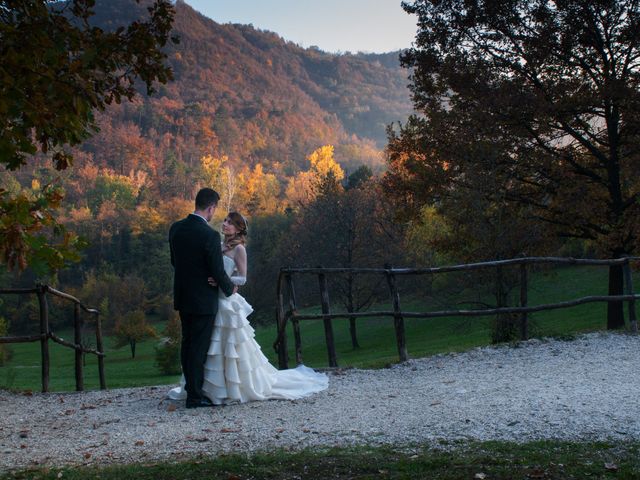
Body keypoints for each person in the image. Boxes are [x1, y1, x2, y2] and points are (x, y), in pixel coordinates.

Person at [169, 212, 328, 405]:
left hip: (226, 302)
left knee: (229, 346)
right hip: (211, 300)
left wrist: (221, 281)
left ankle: (232, 387)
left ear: (238, 229)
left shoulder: (239, 250)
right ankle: (207, 389)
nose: (225, 224)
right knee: (210, 346)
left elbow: (242, 278)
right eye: (226, 221)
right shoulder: (218, 245)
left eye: (230, 223)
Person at [168, 188, 236, 409]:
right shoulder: (209, 235)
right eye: (215, 209)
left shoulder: (176, 229)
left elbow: (174, 262)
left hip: (183, 295)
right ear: (211, 208)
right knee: (198, 348)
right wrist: (229, 289)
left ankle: (191, 389)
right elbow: (217, 270)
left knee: (187, 345)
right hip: (203, 299)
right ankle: (195, 397)